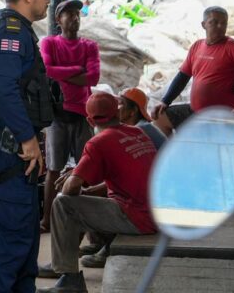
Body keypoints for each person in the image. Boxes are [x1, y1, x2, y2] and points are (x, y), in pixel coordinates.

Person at [0, 0, 60, 293]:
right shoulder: (11, 30)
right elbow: (3, 87)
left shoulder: (8, 27)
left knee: (23, 246)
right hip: (7, 148)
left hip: (1, 146)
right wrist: (27, 138)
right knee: (10, 249)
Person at [37, 92, 158, 293]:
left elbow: (70, 189)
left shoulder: (98, 142)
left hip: (138, 218)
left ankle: (70, 278)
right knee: (87, 197)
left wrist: (74, 174)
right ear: (118, 114)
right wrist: (88, 184)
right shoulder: (137, 133)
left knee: (63, 203)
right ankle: (69, 259)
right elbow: (128, 178)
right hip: (155, 213)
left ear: (89, 120)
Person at [39, 0, 100, 232]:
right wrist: (77, 70)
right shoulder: (49, 43)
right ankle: (47, 220)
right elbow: (47, 69)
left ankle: (90, 224)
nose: (74, 18)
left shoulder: (90, 46)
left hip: (83, 114)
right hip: (57, 115)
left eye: (77, 14)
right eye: (69, 14)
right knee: (53, 169)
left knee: (87, 169)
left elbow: (93, 78)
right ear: (58, 20)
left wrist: (62, 74)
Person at [152, 6, 234, 135]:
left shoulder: (233, 48)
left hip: (223, 117)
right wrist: (165, 101)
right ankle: (173, 154)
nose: (220, 26)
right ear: (204, 25)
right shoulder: (197, 46)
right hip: (196, 111)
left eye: (223, 23)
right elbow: (183, 76)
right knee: (160, 118)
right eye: (214, 22)